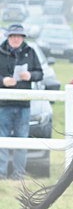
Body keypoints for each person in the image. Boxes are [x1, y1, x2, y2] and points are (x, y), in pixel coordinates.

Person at [0, 23, 43, 180]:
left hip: (24, 104)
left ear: (23, 38)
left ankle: (19, 174)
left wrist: (30, 76)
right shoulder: (0, 52)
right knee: (2, 139)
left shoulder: (30, 52)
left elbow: (40, 73)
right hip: (4, 104)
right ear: (9, 37)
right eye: (13, 36)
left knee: (22, 139)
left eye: (19, 36)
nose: (16, 39)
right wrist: (3, 81)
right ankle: (1, 173)